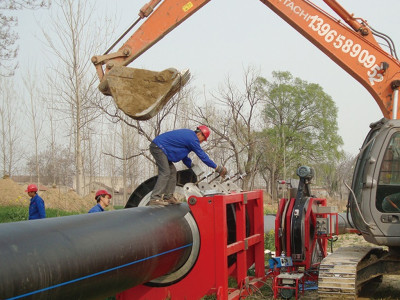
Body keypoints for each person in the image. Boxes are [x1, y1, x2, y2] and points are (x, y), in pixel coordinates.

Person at [149, 125, 227, 206]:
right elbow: (203, 156)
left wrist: (192, 167)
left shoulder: (189, 136)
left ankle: (168, 197)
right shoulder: (192, 139)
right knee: (165, 172)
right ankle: (155, 198)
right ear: (200, 134)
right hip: (158, 147)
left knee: (172, 172)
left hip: (162, 149)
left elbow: (184, 157)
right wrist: (217, 168)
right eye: (203, 140)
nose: (201, 142)